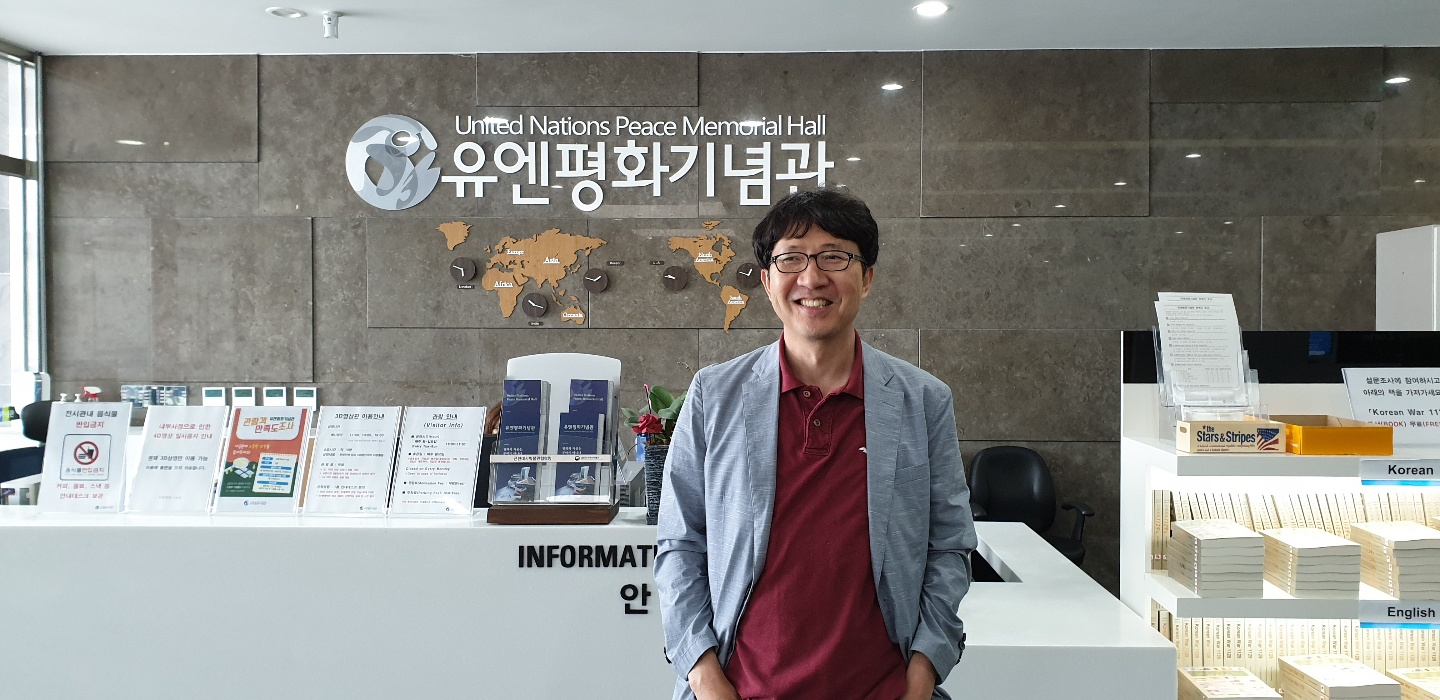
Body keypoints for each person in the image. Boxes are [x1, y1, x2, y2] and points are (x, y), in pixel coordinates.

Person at [654, 189, 976, 700]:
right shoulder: (714, 395)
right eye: (791, 259)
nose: (812, 277)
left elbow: (950, 546)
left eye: (834, 257)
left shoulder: (923, 400)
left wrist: (922, 673)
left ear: (866, 278)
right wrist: (703, 675)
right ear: (766, 281)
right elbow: (679, 543)